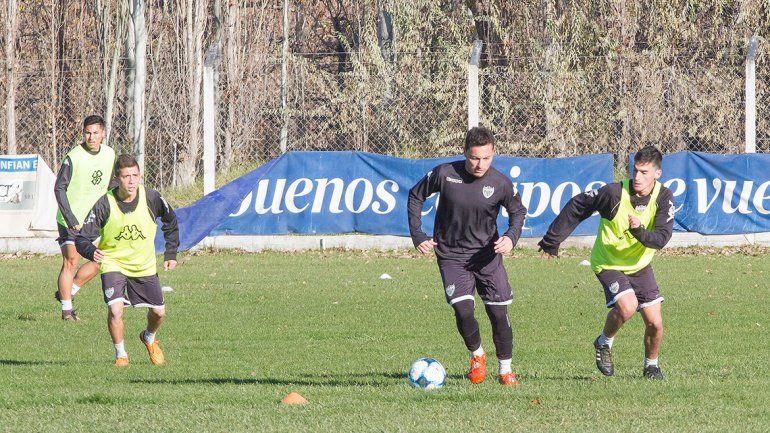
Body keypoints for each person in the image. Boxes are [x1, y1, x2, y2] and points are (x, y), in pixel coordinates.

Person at [538, 145, 675, 380]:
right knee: (628, 305)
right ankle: (604, 342)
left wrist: (639, 232)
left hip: (640, 265)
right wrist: (552, 240)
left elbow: (661, 238)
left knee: (655, 323)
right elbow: (578, 206)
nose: (638, 177)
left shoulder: (663, 197)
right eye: (636, 171)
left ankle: (651, 366)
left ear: (657, 174)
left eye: (644, 172)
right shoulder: (613, 194)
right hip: (608, 262)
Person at [407, 126, 527, 386]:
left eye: (486, 158)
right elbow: (416, 195)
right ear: (464, 153)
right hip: (451, 256)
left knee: (498, 314)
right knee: (463, 310)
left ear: (493, 154)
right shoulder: (445, 174)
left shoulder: (500, 182)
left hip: (487, 256)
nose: (480, 164)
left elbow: (518, 212)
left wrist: (511, 237)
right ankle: (477, 355)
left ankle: (505, 370)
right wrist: (418, 234)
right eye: (474, 158)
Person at [75, 154, 179, 367]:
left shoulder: (151, 197)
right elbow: (82, 238)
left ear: (140, 175)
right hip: (114, 263)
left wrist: (171, 253)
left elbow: (171, 220)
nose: (131, 181)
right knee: (115, 309)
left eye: (135, 175)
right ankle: (121, 354)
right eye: (126, 176)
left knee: (159, 313)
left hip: (144, 264)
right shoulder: (105, 203)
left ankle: (149, 337)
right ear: (117, 178)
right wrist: (90, 251)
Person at [54, 115, 116, 321]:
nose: (91, 137)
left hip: (95, 220)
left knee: (101, 260)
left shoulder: (109, 154)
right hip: (71, 219)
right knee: (71, 261)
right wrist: (70, 218)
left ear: (103, 133)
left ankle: (67, 292)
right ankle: (67, 312)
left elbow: (110, 185)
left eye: (95, 133)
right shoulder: (73, 157)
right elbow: (59, 188)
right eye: (87, 133)